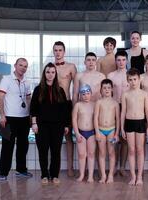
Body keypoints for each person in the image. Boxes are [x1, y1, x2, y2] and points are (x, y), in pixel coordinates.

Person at [30, 63, 72, 185]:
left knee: (55, 151)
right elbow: (33, 108)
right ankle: (44, 174)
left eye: (53, 72)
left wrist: (65, 125)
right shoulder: (38, 89)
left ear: (55, 74)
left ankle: (54, 175)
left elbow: (65, 110)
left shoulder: (60, 90)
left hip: (57, 126)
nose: (50, 74)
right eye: (48, 72)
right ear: (44, 74)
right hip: (42, 125)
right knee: (43, 151)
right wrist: (34, 123)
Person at [0, 58, 32, 181]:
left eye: (25, 66)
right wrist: (2, 115)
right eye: (21, 65)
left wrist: (30, 116)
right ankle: (3, 173)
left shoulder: (27, 82)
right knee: (7, 146)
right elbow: (0, 98)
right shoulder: (6, 79)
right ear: (15, 66)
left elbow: (28, 99)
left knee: (23, 146)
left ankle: (21, 170)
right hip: (8, 118)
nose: (23, 68)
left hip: (24, 118)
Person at [121, 68, 148, 186]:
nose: (133, 82)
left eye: (135, 79)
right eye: (130, 80)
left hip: (140, 123)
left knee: (140, 150)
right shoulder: (125, 94)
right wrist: (122, 128)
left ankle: (139, 176)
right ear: (127, 80)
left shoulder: (144, 94)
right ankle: (133, 176)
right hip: (129, 123)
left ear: (139, 79)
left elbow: (147, 111)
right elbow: (123, 112)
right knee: (131, 150)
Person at [53, 41, 77, 177]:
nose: (58, 53)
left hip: (67, 104)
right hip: (53, 106)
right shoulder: (49, 67)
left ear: (64, 52)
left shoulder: (71, 67)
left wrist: (75, 105)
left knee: (68, 137)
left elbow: (76, 88)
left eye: (60, 50)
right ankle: (54, 167)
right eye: (55, 50)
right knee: (54, 136)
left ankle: (70, 167)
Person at [107, 50, 130, 177]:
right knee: (114, 138)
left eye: (123, 60)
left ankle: (122, 167)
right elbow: (106, 92)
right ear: (115, 61)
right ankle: (114, 166)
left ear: (127, 60)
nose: (121, 62)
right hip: (113, 107)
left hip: (127, 108)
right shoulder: (110, 76)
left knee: (124, 138)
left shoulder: (131, 75)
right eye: (118, 60)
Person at [94, 79, 120, 184]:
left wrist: (117, 134)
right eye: (104, 88)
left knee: (111, 153)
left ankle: (110, 175)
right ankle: (103, 175)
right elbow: (95, 118)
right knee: (102, 153)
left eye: (109, 88)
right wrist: (96, 132)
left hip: (111, 130)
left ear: (112, 89)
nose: (107, 90)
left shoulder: (115, 103)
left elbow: (118, 119)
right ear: (101, 90)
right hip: (100, 130)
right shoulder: (99, 102)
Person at [72, 84, 96, 183]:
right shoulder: (78, 105)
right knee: (81, 154)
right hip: (81, 132)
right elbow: (74, 119)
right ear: (80, 95)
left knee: (91, 154)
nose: (86, 96)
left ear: (91, 94)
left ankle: (90, 175)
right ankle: (82, 174)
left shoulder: (94, 104)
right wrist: (77, 133)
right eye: (83, 94)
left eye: (88, 93)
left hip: (92, 133)